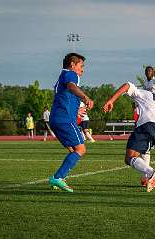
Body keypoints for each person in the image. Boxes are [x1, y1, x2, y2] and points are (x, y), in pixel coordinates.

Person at [103, 82, 155, 192]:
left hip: (148, 124)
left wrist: (111, 100)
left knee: (129, 157)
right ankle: (146, 177)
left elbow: (127, 85)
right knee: (144, 150)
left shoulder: (145, 94)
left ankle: (150, 172)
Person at [48, 52, 94, 193]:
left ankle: (59, 179)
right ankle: (58, 177)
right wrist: (86, 97)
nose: (82, 69)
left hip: (58, 118)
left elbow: (64, 97)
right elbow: (72, 87)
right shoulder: (70, 74)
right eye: (81, 65)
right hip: (64, 119)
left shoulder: (63, 75)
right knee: (81, 149)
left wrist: (76, 111)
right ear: (72, 65)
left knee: (73, 150)